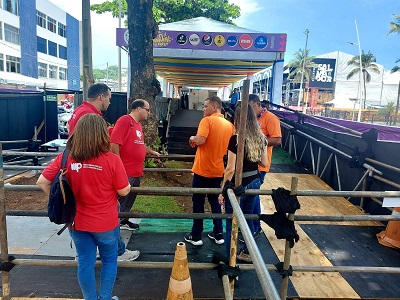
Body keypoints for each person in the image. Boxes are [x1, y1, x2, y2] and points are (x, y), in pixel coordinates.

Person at [36, 114, 135, 300]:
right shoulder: (112, 160)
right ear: (102, 134)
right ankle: (105, 298)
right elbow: (123, 191)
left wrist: (65, 201)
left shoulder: (65, 157)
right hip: (106, 223)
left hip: (76, 222)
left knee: (85, 263)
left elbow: (42, 182)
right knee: (109, 261)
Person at [67, 82, 139, 262]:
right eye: (109, 98)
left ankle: (96, 252)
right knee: (109, 210)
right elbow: (84, 144)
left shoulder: (81, 111)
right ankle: (116, 252)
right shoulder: (88, 115)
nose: (109, 102)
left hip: (83, 170)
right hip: (91, 171)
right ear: (101, 97)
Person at [218, 104, 268, 263]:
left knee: (230, 221)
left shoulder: (236, 139)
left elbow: (230, 169)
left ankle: (230, 258)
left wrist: (222, 189)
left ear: (238, 119)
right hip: (254, 181)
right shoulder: (261, 138)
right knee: (248, 218)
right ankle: (247, 252)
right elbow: (264, 162)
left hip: (238, 185)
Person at [184, 96, 235, 246]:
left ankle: (196, 235)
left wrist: (192, 138)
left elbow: (200, 140)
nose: (203, 109)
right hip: (219, 171)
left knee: (198, 202)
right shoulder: (230, 126)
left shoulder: (207, 121)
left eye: (205, 106)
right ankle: (218, 233)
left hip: (202, 170)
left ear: (214, 108)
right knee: (216, 203)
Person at [110, 99, 160, 231]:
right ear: (139, 109)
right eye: (147, 109)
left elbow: (138, 144)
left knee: (130, 198)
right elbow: (114, 143)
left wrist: (150, 151)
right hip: (125, 171)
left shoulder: (138, 125)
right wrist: (118, 167)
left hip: (136, 171)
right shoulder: (125, 121)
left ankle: (123, 220)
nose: (149, 113)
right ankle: (113, 225)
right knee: (120, 200)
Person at [248, 94, 282, 237]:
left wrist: (258, 140)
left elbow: (277, 140)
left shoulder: (271, 118)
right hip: (249, 164)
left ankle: (254, 227)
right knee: (253, 196)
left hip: (260, 166)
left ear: (258, 104)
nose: (248, 110)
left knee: (252, 196)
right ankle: (255, 226)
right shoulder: (251, 118)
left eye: (250, 107)